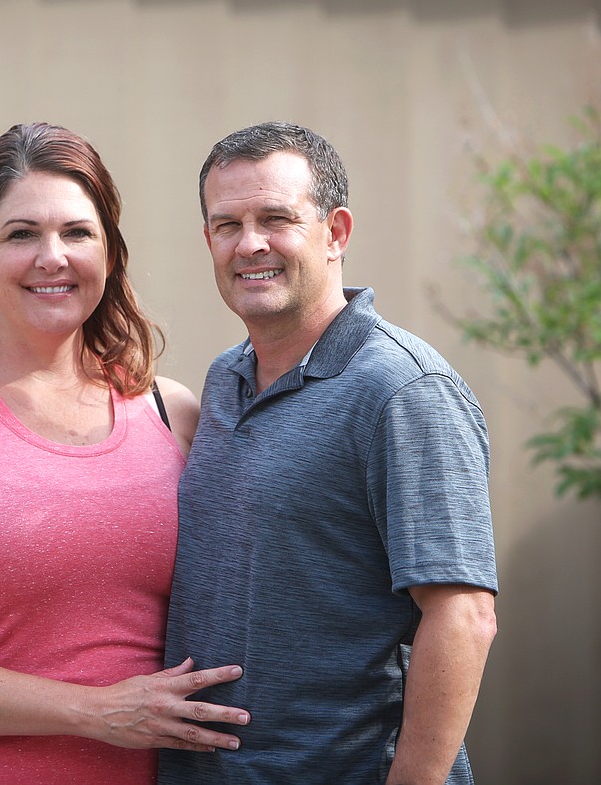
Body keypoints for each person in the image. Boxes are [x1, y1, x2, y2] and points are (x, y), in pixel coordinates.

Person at [0, 122, 250, 785]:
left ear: (110, 253)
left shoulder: (175, 414)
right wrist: (94, 711)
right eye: (21, 233)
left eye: (77, 233)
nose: (51, 257)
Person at [160, 122, 499, 785]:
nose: (249, 243)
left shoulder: (402, 390)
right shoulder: (225, 379)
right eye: (227, 224)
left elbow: (463, 615)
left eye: (276, 219)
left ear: (336, 232)